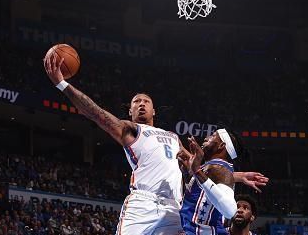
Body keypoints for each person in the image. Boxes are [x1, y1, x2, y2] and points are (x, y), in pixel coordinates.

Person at [43, 54, 268, 235]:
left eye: (146, 101)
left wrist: (236, 176)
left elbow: (196, 168)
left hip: (173, 207)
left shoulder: (171, 136)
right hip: (142, 203)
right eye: (136, 102)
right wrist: (63, 85)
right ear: (130, 111)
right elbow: (95, 113)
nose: (141, 104)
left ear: (154, 111)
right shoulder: (130, 130)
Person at [177, 129, 245, 234]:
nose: (206, 138)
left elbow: (230, 210)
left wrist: (197, 171)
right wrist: (187, 174)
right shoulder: (209, 167)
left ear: (221, 145)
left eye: (212, 136)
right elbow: (197, 199)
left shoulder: (220, 167)